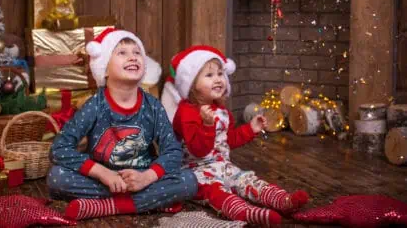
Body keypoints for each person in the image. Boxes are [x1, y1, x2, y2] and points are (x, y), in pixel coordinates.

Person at [47, 28, 198, 221]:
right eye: (122, 53)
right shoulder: (94, 105)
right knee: (56, 177)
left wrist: (147, 177)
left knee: (189, 181)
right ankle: (144, 203)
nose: (133, 57)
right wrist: (102, 173)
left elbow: (173, 151)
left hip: (142, 178)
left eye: (137, 53)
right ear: (104, 68)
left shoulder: (153, 106)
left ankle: (108, 206)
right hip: (103, 179)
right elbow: (59, 149)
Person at [161, 45, 309, 227]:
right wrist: (207, 126)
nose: (218, 79)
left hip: (223, 165)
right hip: (195, 172)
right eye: (209, 75)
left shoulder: (221, 111)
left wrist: (250, 129)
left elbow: (228, 140)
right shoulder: (187, 112)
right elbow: (198, 150)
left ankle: (281, 200)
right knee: (216, 192)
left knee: (246, 179)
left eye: (220, 74)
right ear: (192, 84)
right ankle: (247, 213)